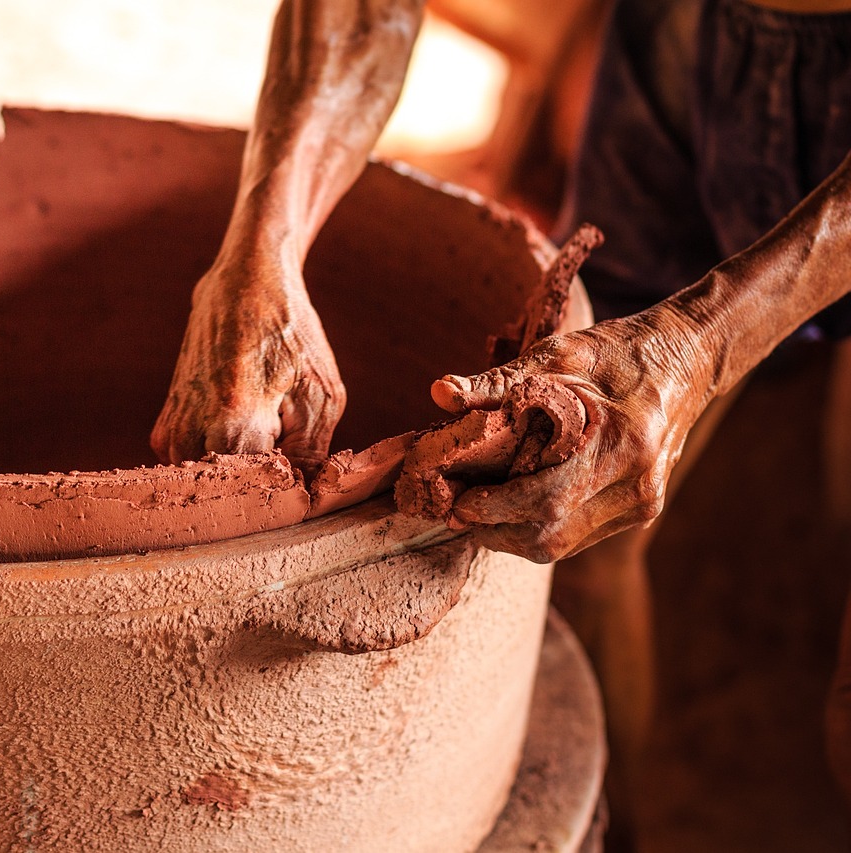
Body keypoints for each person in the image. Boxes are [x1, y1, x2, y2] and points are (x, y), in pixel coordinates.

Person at [149, 0, 851, 839]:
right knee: (579, 523)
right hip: (685, 42)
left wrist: (696, 345)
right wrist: (263, 245)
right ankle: (618, 834)